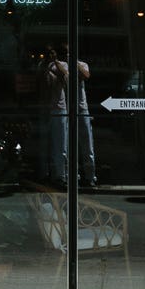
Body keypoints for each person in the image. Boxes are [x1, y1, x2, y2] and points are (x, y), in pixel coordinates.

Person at [39, 44, 96, 187]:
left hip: (81, 109)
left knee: (86, 145)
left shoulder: (81, 64)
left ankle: (90, 177)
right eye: (65, 52)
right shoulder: (59, 65)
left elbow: (85, 75)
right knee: (65, 145)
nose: (68, 54)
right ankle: (69, 176)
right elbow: (60, 76)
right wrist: (55, 62)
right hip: (65, 110)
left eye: (70, 51)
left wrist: (74, 61)